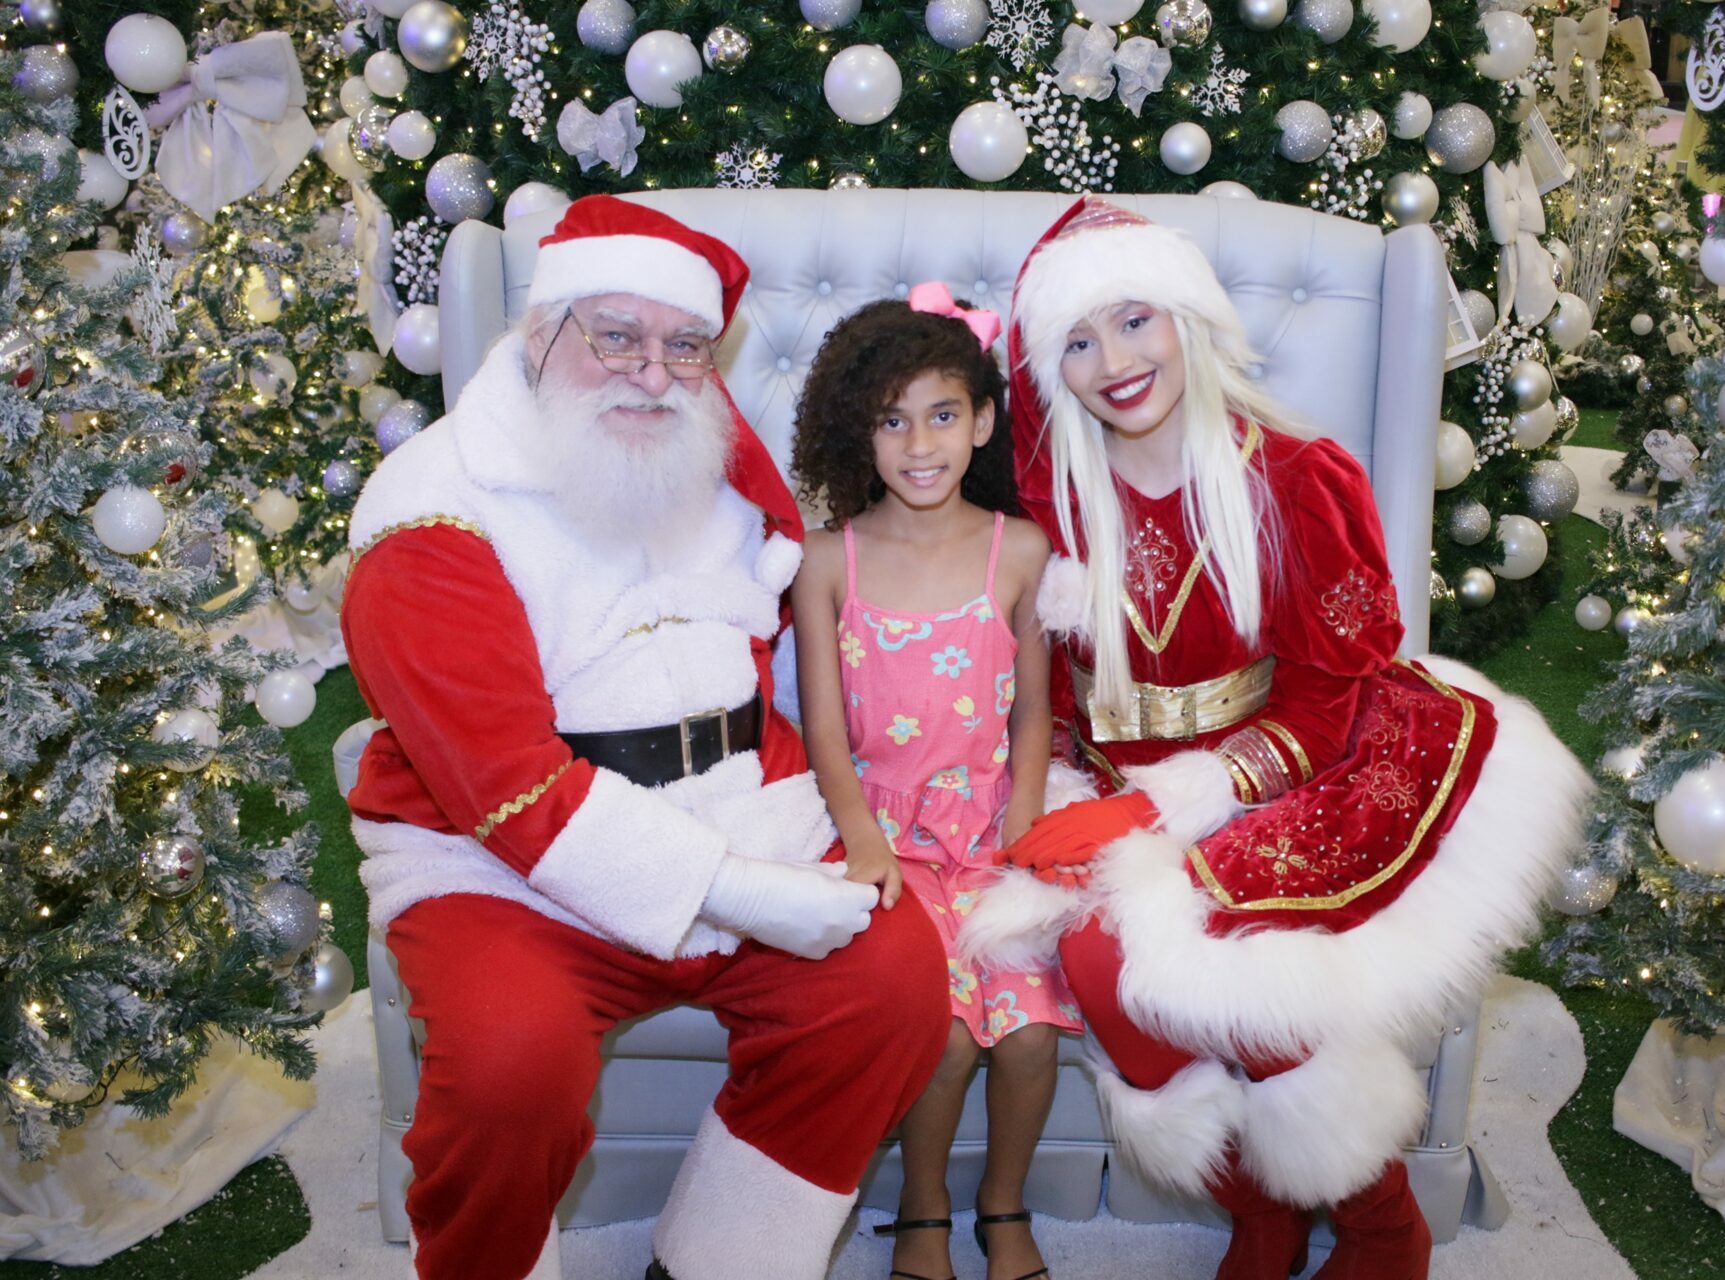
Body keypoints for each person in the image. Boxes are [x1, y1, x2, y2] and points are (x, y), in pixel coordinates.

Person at [959, 198, 1591, 1279]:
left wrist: (1162, 803)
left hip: (1286, 773)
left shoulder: (1299, 477)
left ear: (1187, 318)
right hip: (1105, 790)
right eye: (1079, 341)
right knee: (1098, 960)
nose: (1116, 362)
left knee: (1225, 965)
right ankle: (1261, 1212)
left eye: (1135, 320)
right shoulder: (1045, 495)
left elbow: (1328, 702)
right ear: (1048, 367)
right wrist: (1061, 788)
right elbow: (1039, 683)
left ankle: (1381, 1221)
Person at [338, 196, 949, 1280]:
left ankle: (724, 1257)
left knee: (890, 983)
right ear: (541, 333)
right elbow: (504, 783)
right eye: (617, 336)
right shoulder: (429, 511)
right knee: (508, 1067)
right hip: (501, 862)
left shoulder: (701, 451)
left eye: (685, 346)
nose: (654, 375)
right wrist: (740, 892)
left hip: (737, 804)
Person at [788, 286, 1075, 1280]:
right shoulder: (826, 560)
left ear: (982, 421)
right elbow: (824, 730)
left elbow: (1033, 710)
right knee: (944, 1036)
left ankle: (1004, 1203)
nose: (920, 443)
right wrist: (864, 838)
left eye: (943, 414)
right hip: (884, 838)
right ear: (856, 432)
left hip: (994, 830)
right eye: (892, 419)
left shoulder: (1020, 550)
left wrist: (1026, 820)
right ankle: (921, 1211)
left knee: (1029, 1035)